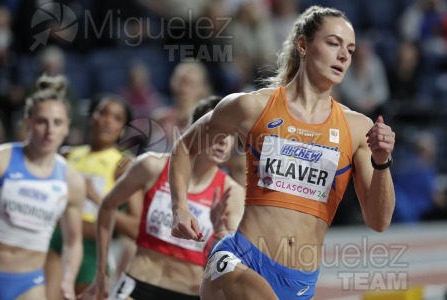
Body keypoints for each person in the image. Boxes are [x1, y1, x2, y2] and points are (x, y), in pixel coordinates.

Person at [169, 5, 396, 299]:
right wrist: (180, 208)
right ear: (303, 45)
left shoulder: (357, 129)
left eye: (350, 50)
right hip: (240, 260)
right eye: (333, 43)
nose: (343, 56)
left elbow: (379, 221)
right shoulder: (252, 106)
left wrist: (382, 162)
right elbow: (185, 146)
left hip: (299, 282)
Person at [79, 96, 244, 300]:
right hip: (140, 282)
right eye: (216, 131)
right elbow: (107, 206)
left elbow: (233, 262)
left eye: (230, 134)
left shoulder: (232, 193)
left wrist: (220, 231)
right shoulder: (152, 167)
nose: (223, 141)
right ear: (194, 130)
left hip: (189, 292)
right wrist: (102, 271)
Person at [0, 74, 85, 300]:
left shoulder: (71, 180)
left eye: (57, 123)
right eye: (41, 121)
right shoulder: (2, 160)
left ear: (67, 127)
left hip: (28, 282)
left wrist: (68, 278)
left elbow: (73, 241)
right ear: (27, 122)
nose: (50, 130)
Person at [45, 93, 141, 298]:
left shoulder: (124, 165)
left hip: (94, 251)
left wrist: (97, 198)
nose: (107, 121)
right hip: (55, 242)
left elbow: (135, 228)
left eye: (116, 118)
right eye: (102, 113)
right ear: (90, 117)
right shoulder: (66, 155)